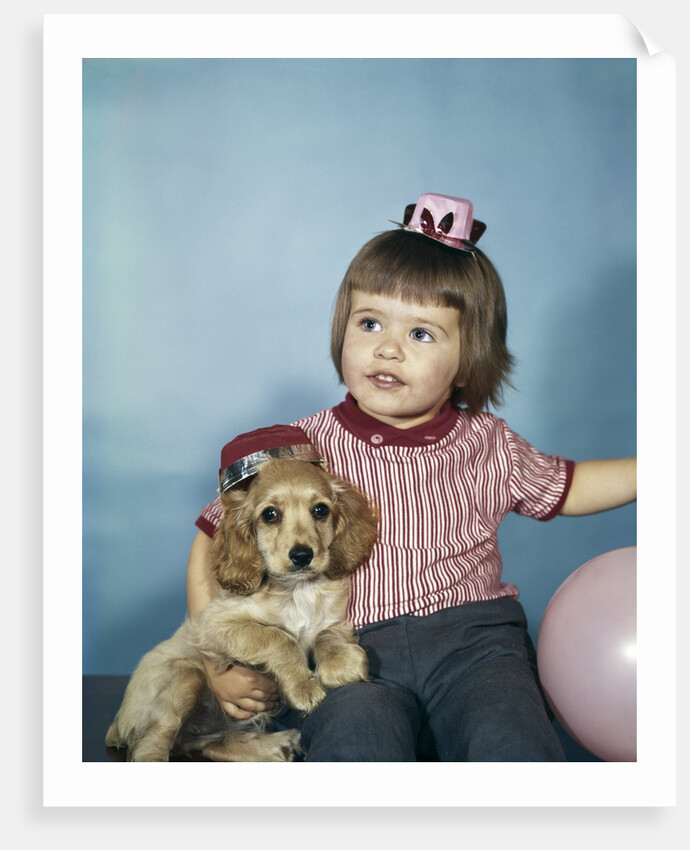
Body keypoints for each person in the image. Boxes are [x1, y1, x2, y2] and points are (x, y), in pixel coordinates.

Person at [186, 193, 636, 761]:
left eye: (421, 334)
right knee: (355, 742)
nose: (388, 349)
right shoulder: (299, 450)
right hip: (349, 649)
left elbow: (569, 487)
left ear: (467, 361)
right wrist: (217, 663)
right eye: (370, 323)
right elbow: (212, 538)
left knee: (510, 735)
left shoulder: (489, 443)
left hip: (475, 644)